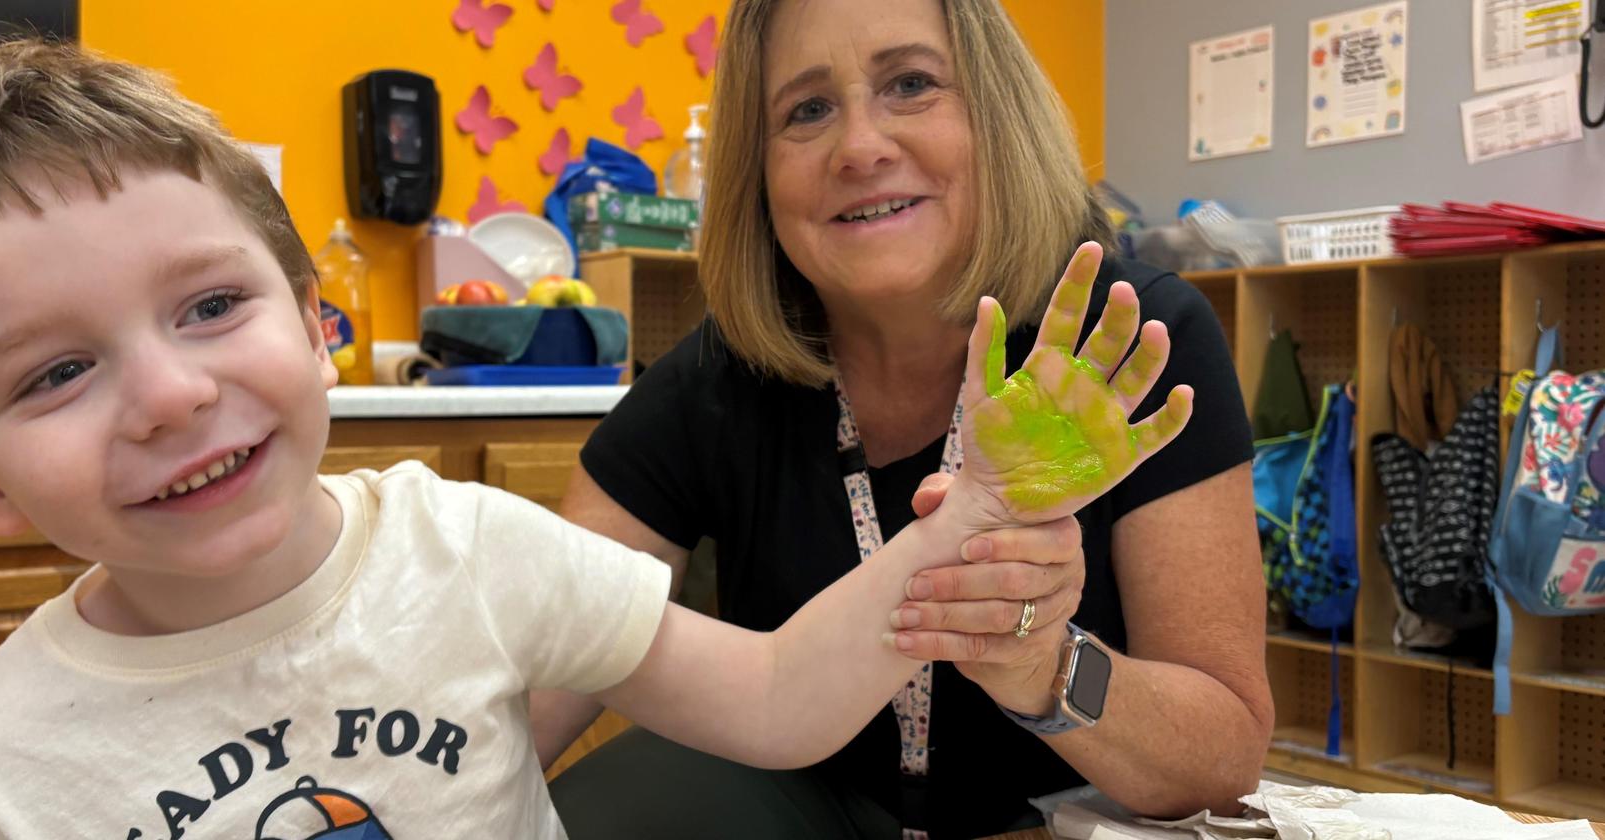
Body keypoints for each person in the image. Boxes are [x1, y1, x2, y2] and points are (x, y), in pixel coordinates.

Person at [0, 40, 1188, 839]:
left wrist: (971, 516)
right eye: (60, 370)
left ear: (315, 323)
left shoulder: (470, 549)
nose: (170, 395)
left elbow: (777, 698)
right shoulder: (12, 727)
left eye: (209, 306)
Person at [539, 0, 1275, 837]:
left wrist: (1041, 662)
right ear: (757, 171)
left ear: (997, 115)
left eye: (912, 83)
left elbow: (1222, 759)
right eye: (806, 110)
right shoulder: (716, 380)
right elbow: (537, 671)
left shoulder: (1126, 343)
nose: (860, 147)